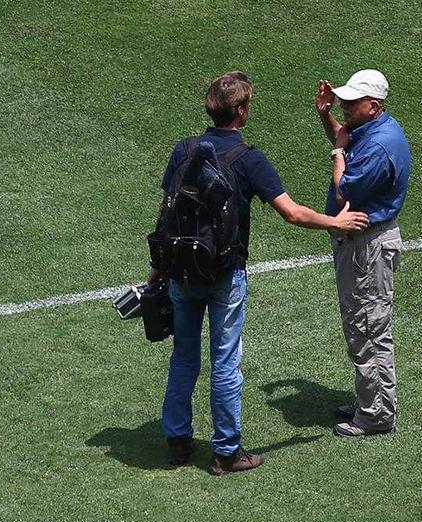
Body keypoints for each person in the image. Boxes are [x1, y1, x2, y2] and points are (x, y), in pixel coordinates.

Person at [150, 71, 369, 474]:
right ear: (240, 110)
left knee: (183, 358)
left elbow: (166, 212)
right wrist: (336, 223)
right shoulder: (249, 159)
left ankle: (178, 442)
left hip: (181, 271)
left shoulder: (184, 149)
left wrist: (156, 269)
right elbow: (291, 212)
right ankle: (226, 452)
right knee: (225, 361)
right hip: (224, 274)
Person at [314, 69, 412, 438]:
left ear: (374, 105)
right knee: (361, 324)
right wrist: (327, 118)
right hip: (360, 243)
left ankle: (377, 415)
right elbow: (344, 138)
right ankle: (368, 399)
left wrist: (338, 151)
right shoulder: (373, 130)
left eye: (352, 103)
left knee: (369, 328)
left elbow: (343, 190)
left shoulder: (379, 145)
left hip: (367, 247)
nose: (345, 106)